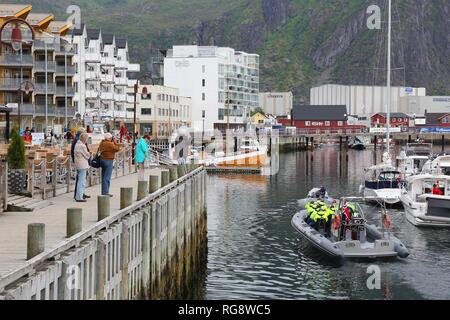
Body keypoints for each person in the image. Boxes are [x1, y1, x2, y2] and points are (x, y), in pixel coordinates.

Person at [74, 133, 91, 202]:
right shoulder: (82, 146)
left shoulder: (77, 144)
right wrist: (90, 153)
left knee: (80, 180)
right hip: (82, 164)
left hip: (78, 164)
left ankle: (80, 195)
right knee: (81, 181)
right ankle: (79, 197)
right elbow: (87, 156)